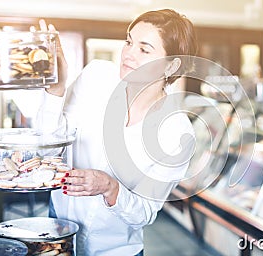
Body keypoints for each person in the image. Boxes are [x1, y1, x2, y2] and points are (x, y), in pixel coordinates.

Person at [34, 9, 198, 256]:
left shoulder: (176, 134)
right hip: (58, 234)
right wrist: (56, 89)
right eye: (129, 41)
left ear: (171, 64)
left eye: (144, 49)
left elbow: (144, 213)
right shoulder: (96, 77)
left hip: (117, 250)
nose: (129, 54)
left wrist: (110, 187)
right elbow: (47, 146)